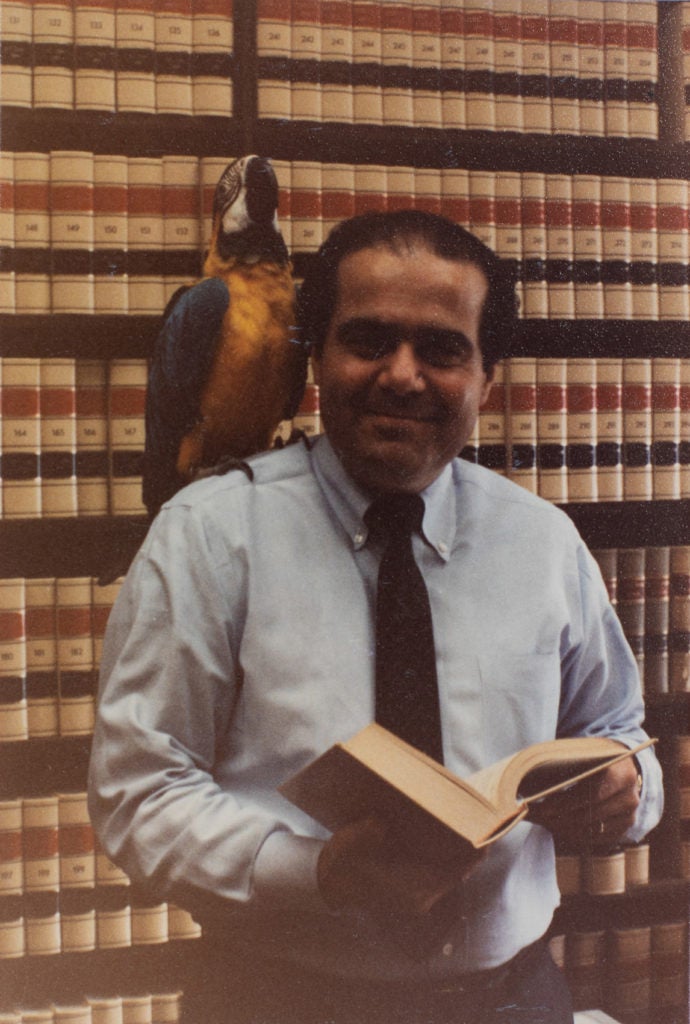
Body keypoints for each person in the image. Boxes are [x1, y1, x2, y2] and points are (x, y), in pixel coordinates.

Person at [88, 210, 663, 1024]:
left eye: (442, 349)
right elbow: (137, 793)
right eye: (369, 341)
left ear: (487, 378)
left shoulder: (543, 542)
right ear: (316, 358)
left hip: (515, 1003)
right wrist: (315, 871)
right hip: (278, 1005)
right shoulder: (209, 539)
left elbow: (622, 733)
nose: (403, 375)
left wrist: (624, 792)